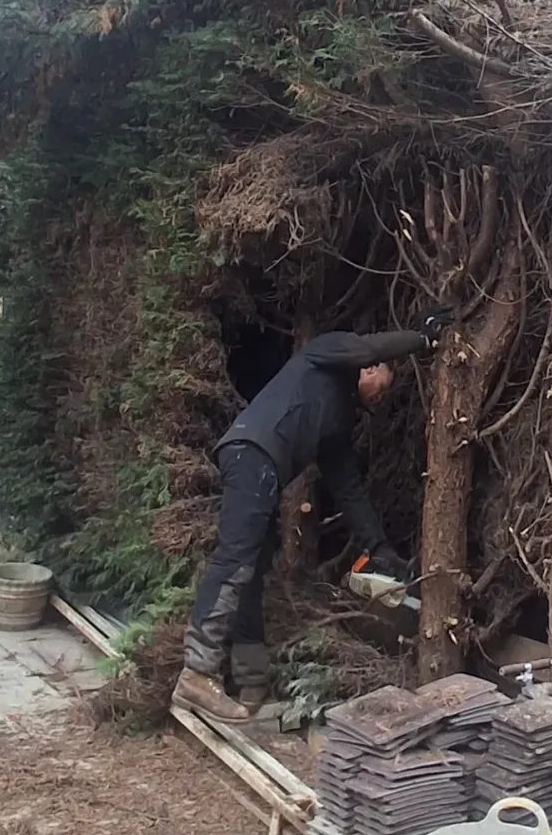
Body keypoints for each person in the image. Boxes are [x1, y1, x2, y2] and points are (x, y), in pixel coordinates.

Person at [174, 308, 453, 722]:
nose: (379, 396)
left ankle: (251, 679)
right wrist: (421, 339)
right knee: (234, 560)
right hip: (252, 453)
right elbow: (369, 344)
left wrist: (381, 550)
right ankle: (196, 673)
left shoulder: (337, 420)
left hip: (264, 467)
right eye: (381, 386)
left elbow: (349, 491)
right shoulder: (327, 351)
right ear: (369, 367)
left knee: (250, 569)